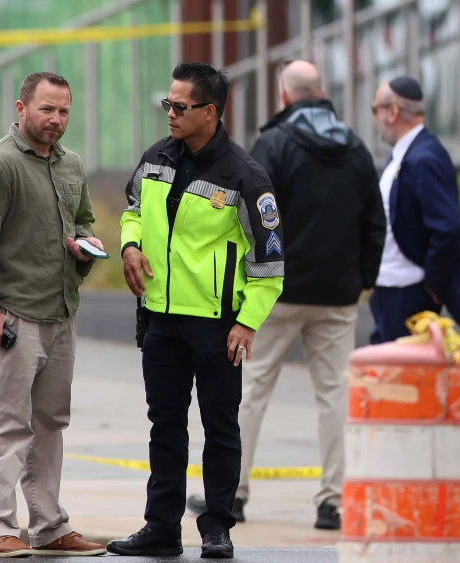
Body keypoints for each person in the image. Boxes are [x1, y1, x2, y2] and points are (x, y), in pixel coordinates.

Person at [184, 60, 386, 531]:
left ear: (285, 97)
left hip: (277, 292)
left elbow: (253, 217)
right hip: (337, 295)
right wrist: (364, 279)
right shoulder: (356, 148)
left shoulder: (273, 144)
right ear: (322, 93)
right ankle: (332, 501)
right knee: (334, 393)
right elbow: (374, 221)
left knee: (252, 391)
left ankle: (232, 493)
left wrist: (247, 284)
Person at [105, 62, 284, 559]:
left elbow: (269, 264)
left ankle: (217, 528)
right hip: (160, 319)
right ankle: (161, 527)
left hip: (218, 326)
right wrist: (129, 247)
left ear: (210, 111)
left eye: (180, 107)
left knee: (220, 428)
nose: (171, 114)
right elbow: (133, 210)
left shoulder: (246, 177)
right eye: (168, 103)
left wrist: (247, 322)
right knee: (165, 425)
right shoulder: (156, 157)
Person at [0, 71, 107, 559]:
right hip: (15, 315)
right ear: (21, 109)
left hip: (61, 311)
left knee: (50, 421)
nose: (56, 119)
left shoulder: (71, 165)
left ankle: (48, 525)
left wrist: (87, 244)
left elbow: (82, 218)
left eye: (63, 110)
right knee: (6, 424)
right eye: (46, 109)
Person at [368, 76, 460, 343]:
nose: (374, 119)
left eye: (375, 110)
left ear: (392, 112)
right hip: (390, 290)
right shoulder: (404, 155)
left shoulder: (424, 157)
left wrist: (434, 283)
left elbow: (449, 229)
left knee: (401, 379)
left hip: (409, 293)